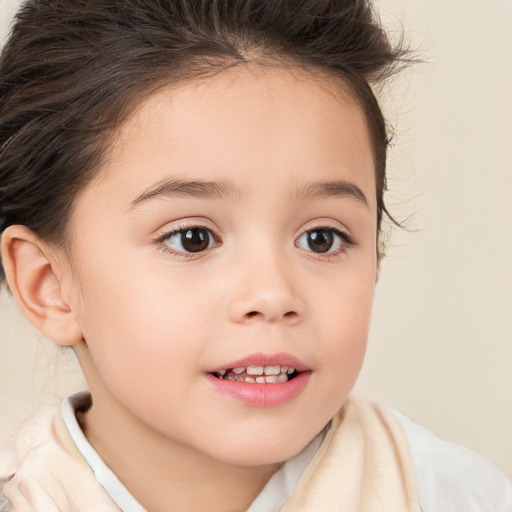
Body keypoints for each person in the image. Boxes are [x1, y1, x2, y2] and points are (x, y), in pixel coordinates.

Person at [0, 0, 510, 510]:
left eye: (322, 238)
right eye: (193, 238)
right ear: (49, 285)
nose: (272, 295)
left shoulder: (452, 495)